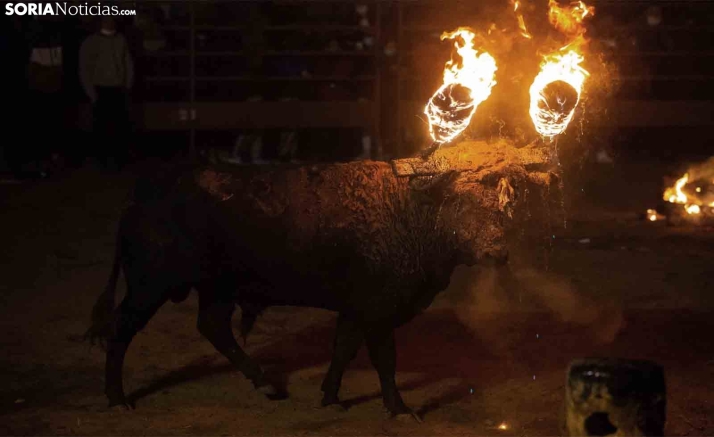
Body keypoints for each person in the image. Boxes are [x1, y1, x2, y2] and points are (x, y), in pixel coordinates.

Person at [79, 16, 134, 171]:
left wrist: (127, 84)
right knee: (102, 127)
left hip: (117, 88)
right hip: (100, 88)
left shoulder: (120, 39)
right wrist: (92, 93)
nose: (111, 21)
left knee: (119, 126)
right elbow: (84, 69)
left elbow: (127, 63)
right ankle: (103, 159)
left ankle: (117, 159)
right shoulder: (91, 42)